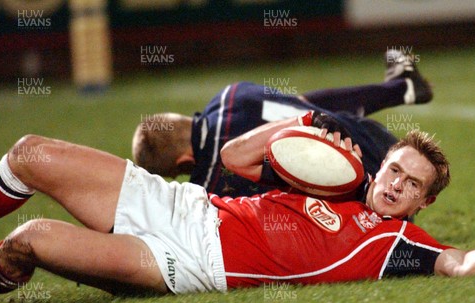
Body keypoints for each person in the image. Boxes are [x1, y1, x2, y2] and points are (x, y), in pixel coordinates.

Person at [0, 123, 475, 303]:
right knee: (29, 153)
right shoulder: (328, 174)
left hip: (184, 262)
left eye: (412, 184)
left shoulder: (394, 241)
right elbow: (232, 158)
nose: (397, 185)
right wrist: (296, 130)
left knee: (28, 240)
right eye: (395, 170)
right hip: (186, 205)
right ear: (380, 167)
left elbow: (452, 259)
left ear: (425, 202)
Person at [132, 50, 429, 197]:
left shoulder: (211, 188)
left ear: (184, 163)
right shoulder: (233, 94)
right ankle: (402, 87)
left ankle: (403, 87)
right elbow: (304, 107)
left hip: (374, 202)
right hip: (386, 148)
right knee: (300, 106)